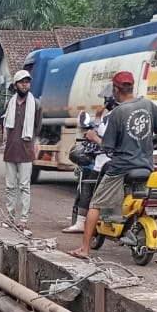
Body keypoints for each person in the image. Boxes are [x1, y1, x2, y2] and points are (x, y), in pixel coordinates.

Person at [70, 71, 157, 261]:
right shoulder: (147, 105)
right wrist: (149, 139)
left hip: (121, 167)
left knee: (95, 204)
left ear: (115, 89)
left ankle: (84, 249)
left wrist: (93, 136)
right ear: (131, 87)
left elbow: (107, 147)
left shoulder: (118, 113)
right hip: (146, 165)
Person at [63, 99, 113, 233]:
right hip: (124, 164)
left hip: (105, 164)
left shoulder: (112, 118)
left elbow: (106, 142)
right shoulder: (121, 117)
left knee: (87, 187)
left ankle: (81, 223)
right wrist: (97, 117)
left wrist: (93, 137)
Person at [2, 70, 42, 236]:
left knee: (24, 186)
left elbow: (37, 127)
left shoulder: (36, 104)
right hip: (11, 148)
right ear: (16, 85)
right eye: (22, 82)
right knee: (10, 186)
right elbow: (5, 125)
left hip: (26, 149)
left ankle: (23, 220)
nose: (25, 85)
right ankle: (10, 217)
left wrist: (35, 142)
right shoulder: (9, 103)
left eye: (27, 82)